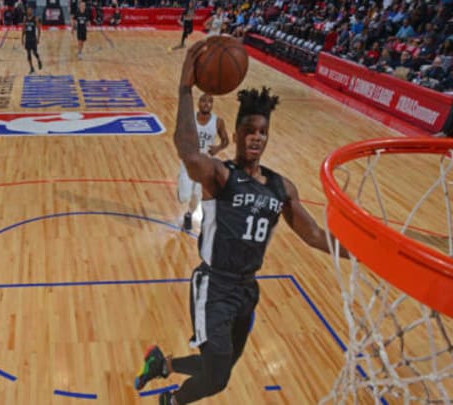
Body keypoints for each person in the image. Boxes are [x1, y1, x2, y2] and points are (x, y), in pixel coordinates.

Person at [134, 41, 348, 405]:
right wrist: (185, 89)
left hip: (247, 290)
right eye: (250, 130)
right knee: (216, 379)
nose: (256, 137)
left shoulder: (281, 187)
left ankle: (163, 364)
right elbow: (187, 152)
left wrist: (356, 253)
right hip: (214, 287)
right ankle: (169, 402)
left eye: (263, 131)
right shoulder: (220, 175)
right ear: (236, 134)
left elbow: (312, 234)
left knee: (222, 369)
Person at [178, 93, 229, 231]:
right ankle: (182, 188)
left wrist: (218, 148)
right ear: (198, 103)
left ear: (212, 104)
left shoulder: (218, 121)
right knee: (184, 196)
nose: (206, 104)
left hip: (205, 165)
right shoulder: (189, 119)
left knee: (197, 196)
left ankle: (188, 215)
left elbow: (226, 140)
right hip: (189, 161)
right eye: (203, 101)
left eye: (210, 101)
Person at [22, 6, 42, 74]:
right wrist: (22, 38)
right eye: (28, 10)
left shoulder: (35, 19)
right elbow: (23, 29)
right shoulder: (25, 19)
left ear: (32, 11)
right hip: (27, 38)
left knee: (34, 52)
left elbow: (39, 29)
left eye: (30, 10)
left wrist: (38, 38)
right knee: (28, 53)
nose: (29, 11)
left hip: (33, 38)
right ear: (27, 11)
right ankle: (31, 68)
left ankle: (39, 60)